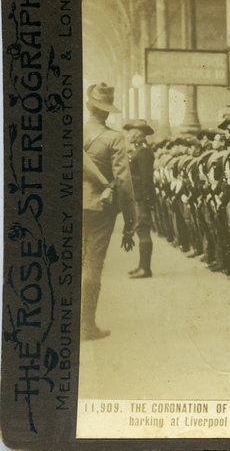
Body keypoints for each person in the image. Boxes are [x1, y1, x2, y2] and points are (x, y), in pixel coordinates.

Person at [82, 83, 134, 340]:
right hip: (100, 207)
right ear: (108, 111)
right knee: (93, 264)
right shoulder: (114, 138)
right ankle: (87, 325)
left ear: (88, 106)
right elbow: (123, 181)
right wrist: (130, 221)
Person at [123, 119, 156, 279]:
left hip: (141, 198)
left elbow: (146, 180)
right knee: (140, 229)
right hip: (136, 197)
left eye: (131, 133)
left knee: (143, 229)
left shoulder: (143, 152)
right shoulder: (137, 151)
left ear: (138, 135)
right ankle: (141, 266)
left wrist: (145, 201)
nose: (128, 136)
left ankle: (145, 269)